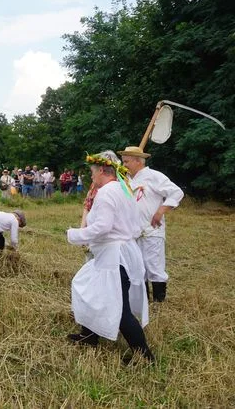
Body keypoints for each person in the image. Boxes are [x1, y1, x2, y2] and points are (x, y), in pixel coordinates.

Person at [66, 150, 153, 362]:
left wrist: (75, 235)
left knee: (121, 311)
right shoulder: (124, 189)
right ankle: (89, 335)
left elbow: (103, 227)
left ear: (103, 170)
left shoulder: (106, 192)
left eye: (93, 172)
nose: (92, 177)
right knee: (89, 288)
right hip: (117, 254)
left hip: (114, 258)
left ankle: (145, 357)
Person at [119, 146, 184, 302]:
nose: (124, 165)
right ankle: (143, 302)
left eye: (127, 161)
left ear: (138, 161)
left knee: (153, 266)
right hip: (133, 233)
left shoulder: (154, 176)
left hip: (151, 231)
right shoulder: (126, 179)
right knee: (137, 267)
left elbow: (177, 192)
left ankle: (159, 303)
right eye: (123, 162)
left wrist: (161, 211)